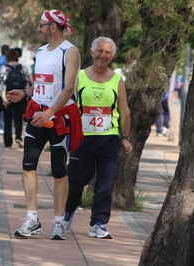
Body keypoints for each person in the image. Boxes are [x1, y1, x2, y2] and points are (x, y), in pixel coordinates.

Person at [6, 9, 83, 240]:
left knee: (59, 170)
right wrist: (25, 92)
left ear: (53, 26)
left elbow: (69, 87)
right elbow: (40, 83)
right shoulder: (40, 51)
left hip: (58, 117)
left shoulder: (70, 51)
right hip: (37, 114)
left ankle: (59, 222)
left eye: (41, 25)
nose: (38, 29)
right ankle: (32, 218)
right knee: (28, 165)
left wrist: (50, 112)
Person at [63, 37, 133, 239]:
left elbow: (125, 110)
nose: (103, 55)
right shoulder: (79, 76)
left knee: (105, 183)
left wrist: (125, 137)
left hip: (108, 138)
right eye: (100, 51)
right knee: (76, 180)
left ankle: (98, 223)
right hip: (82, 138)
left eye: (108, 52)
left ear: (112, 56)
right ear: (93, 52)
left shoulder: (117, 80)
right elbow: (68, 104)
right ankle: (68, 212)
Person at [0, 49, 30, 148]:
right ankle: (18, 137)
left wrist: (4, 97)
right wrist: (26, 96)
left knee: (7, 120)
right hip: (20, 95)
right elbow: (26, 82)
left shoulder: (5, 68)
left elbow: (3, 83)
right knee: (18, 118)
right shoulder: (23, 68)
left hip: (8, 95)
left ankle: (8, 143)